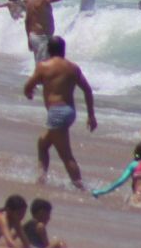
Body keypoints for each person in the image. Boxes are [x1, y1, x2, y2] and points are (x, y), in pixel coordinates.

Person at [24, 36, 97, 190]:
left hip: (56, 113)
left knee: (65, 155)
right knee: (43, 143)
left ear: (48, 50)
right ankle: (40, 179)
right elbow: (87, 90)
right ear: (64, 50)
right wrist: (91, 115)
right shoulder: (73, 68)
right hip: (69, 112)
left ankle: (80, 188)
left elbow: (28, 85)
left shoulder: (43, 66)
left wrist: (29, 93)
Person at [91, 141, 141, 208]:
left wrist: (102, 191)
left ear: (136, 153)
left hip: (140, 196)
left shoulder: (134, 165)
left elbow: (120, 181)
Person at [24, 0, 63, 64]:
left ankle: (38, 78)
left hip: (34, 36)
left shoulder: (31, 0)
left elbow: (27, 21)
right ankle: (40, 79)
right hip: (42, 37)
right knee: (44, 65)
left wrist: (28, 38)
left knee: (39, 64)